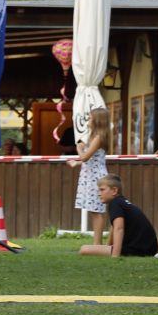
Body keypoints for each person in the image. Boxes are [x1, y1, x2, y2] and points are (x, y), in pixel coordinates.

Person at [80, 174, 158, 257]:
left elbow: (119, 228)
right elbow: (114, 227)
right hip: (150, 249)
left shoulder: (115, 204)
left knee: (84, 249)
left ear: (114, 190)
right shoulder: (121, 202)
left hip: (136, 250)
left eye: (102, 190)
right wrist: (108, 246)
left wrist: (115, 255)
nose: (99, 194)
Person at [70, 106, 111, 249]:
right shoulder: (95, 137)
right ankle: (97, 242)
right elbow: (91, 159)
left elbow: (85, 157)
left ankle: (97, 243)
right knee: (94, 210)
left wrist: (79, 148)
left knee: (97, 211)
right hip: (91, 175)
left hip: (95, 177)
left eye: (90, 118)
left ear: (97, 121)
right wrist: (76, 163)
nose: (88, 121)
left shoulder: (98, 138)